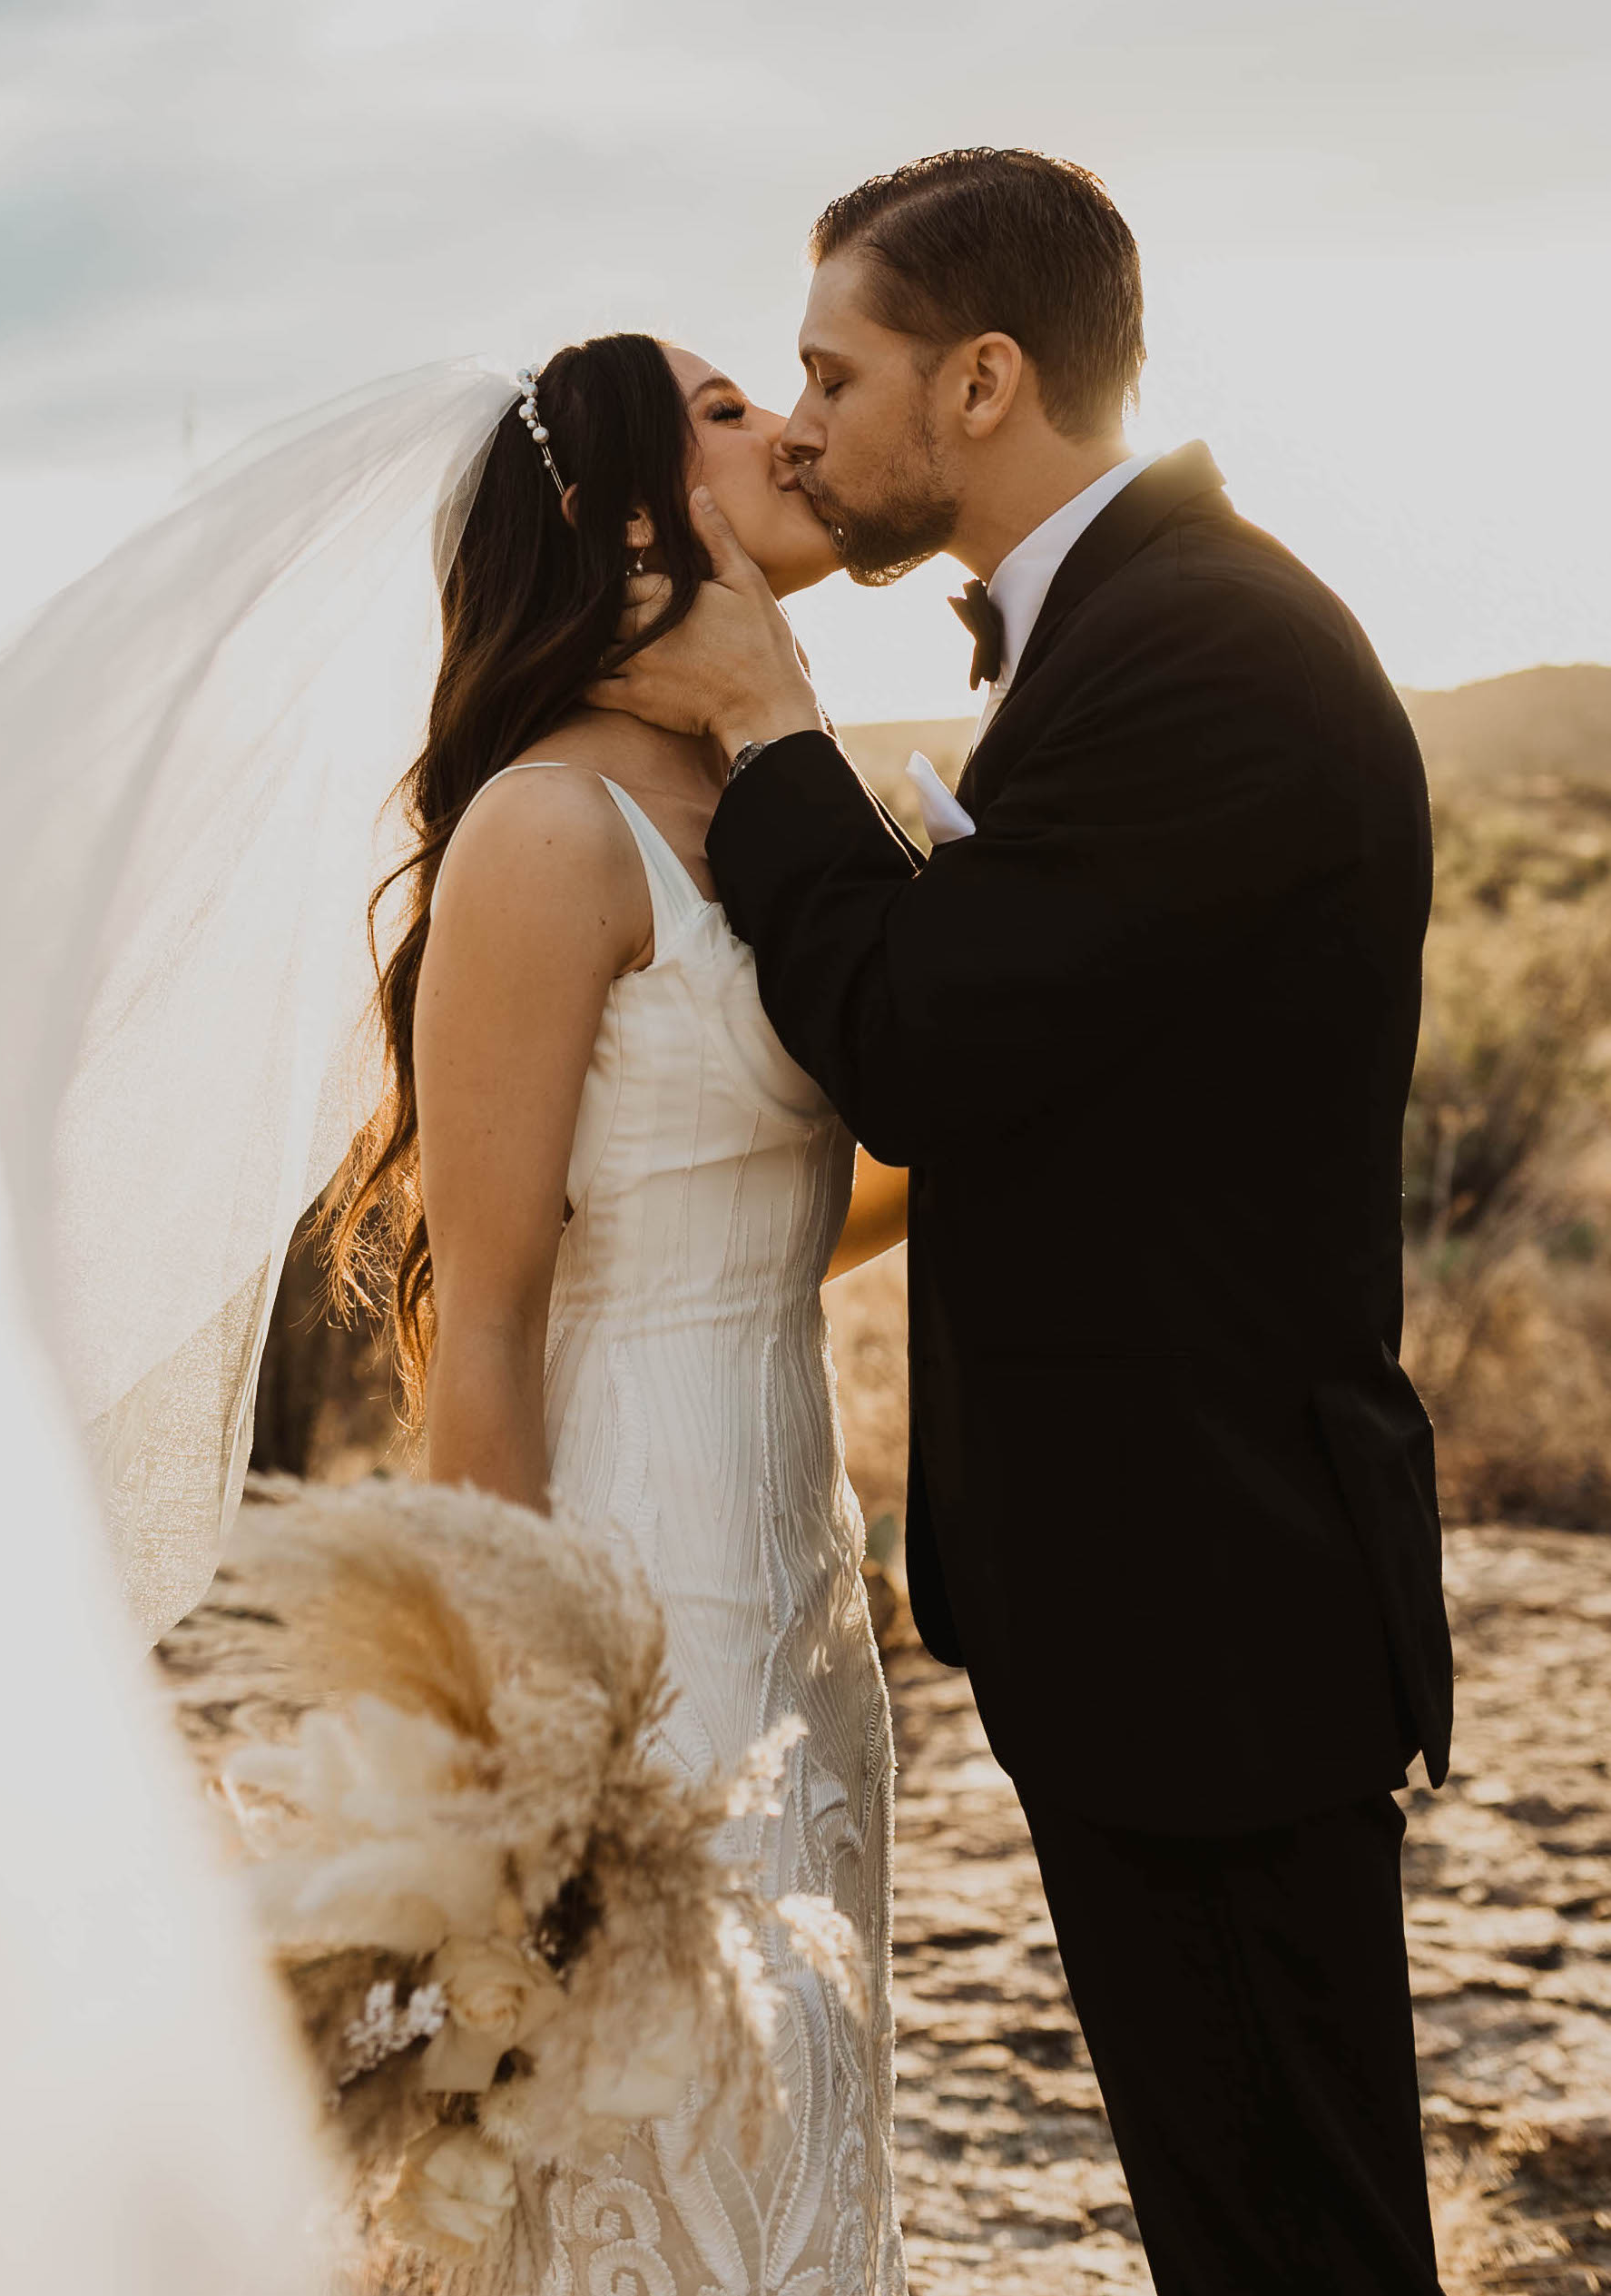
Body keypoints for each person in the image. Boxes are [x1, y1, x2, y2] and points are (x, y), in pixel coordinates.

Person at [593, 150, 1456, 2296]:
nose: (796, 427)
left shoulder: (1206, 654)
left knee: (1289, 2231)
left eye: (830, 370)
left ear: (980, 382)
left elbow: (915, 1035)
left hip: (1219, 1608)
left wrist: (765, 720)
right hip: (1159, 1608)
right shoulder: (1124, 630)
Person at [323, 333, 909, 2296]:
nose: (791, 431)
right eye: (731, 409)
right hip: (627, 1587)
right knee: (642, 2138)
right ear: (633, 511)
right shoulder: (547, 827)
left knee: (789, 2127)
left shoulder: (766, 792)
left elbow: (768, 1207)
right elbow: (483, 1316)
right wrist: (512, 1765)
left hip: (801, 1587)